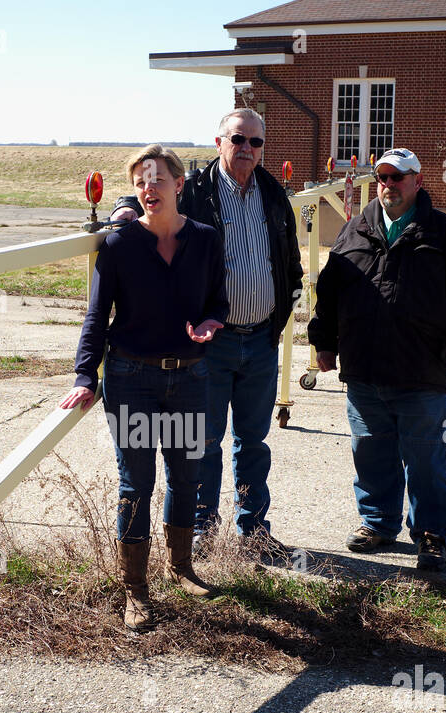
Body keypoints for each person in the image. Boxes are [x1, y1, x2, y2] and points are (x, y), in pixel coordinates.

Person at [111, 109, 302, 557]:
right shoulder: (195, 190)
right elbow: (152, 188)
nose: (247, 149)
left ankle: (253, 528)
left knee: (253, 440)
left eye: (256, 142)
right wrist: (125, 204)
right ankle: (201, 528)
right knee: (204, 441)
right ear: (219, 142)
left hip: (259, 340)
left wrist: (279, 315)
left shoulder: (273, 195)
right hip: (209, 342)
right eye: (238, 139)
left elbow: (290, 262)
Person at [62, 144, 227, 631]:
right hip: (131, 377)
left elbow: (218, 301)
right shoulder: (117, 245)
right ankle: (136, 591)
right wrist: (84, 376)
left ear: (179, 184)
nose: (148, 188)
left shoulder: (205, 239)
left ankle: (181, 569)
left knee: (186, 477)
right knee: (137, 482)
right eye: (140, 181)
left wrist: (211, 324)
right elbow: (96, 316)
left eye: (157, 179)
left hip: (190, 376)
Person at [308, 148, 446, 571]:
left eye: (398, 177)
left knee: (427, 461)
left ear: (417, 181)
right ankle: (377, 524)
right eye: (383, 177)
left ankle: (431, 534)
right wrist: (324, 343)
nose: (389, 185)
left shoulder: (443, 233)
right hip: (365, 371)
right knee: (371, 454)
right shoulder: (354, 230)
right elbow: (329, 295)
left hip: (423, 371)